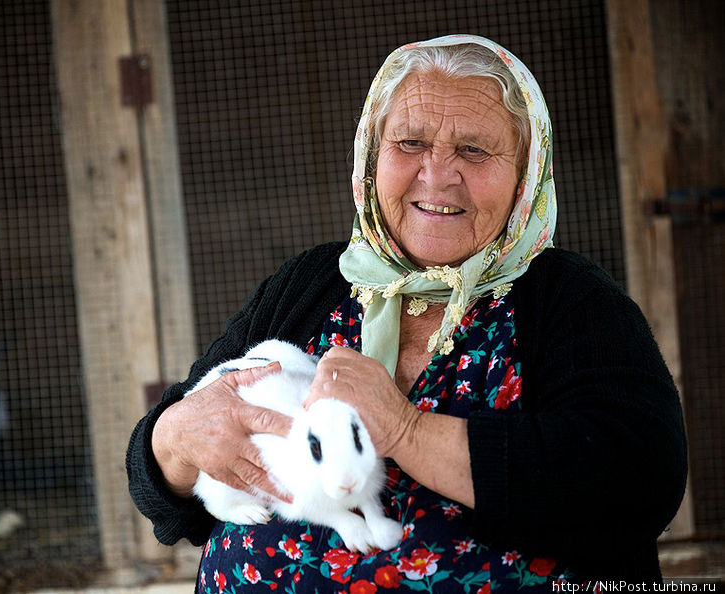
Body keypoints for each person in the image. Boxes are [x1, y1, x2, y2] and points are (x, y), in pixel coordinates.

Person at [127, 35, 687, 590]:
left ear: (525, 175)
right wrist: (176, 437)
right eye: (411, 142)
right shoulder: (312, 283)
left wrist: (403, 429)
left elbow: (641, 483)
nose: (438, 173)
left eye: (474, 150)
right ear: (372, 157)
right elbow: (166, 487)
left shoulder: (574, 303)